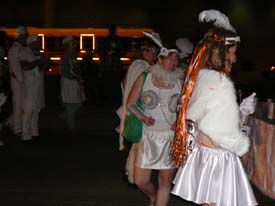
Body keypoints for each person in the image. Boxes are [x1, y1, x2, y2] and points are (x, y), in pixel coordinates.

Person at [171, 10, 258, 206]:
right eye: (234, 52)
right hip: (218, 159)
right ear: (223, 53)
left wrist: (239, 111)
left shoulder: (200, 77)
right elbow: (222, 132)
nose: (235, 59)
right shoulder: (220, 82)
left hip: (202, 154)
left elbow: (203, 117)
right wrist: (242, 118)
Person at [126, 32, 183, 206]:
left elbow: (187, 108)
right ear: (160, 59)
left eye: (176, 60)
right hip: (148, 137)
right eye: (170, 59)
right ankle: (153, 197)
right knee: (140, 180)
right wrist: (143, 117)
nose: (174, 63)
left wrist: (179, 122)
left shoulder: (181, 81)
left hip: (170, 139)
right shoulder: (145, 78)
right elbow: (130, 104)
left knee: (165, 183)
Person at [18, 34, 48, 140]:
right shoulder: (24, 52)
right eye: (38, 42)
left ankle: (35, 133)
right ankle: (26, 135)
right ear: (32, 43)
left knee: (36, 110)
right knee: (28, 111)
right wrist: (39, 61)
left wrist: (45, 62)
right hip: (29, 87)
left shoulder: (38, 53)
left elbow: (41, 69)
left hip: (38, 86)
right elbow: (25, 66)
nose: (40, 44)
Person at [59, 36, 85, 133]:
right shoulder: (66, 58)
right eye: (72, 45)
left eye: (74, 44)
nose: (74, 46)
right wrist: (76, 77)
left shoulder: (73, 57)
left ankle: (64, 116)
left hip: (74, 83)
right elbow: (66, 73)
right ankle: (71, 128)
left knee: (77, 103)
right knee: (71, 105)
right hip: (69, 84)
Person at [8, 25, 29, 135]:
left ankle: (12, 123)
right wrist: (22, 80)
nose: (26, 38)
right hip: (18, 81)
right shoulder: (15, 49)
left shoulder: (20, 48)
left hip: (21, 80)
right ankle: (17, 128)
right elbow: (15, 67)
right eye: (25, 36)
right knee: (18, 105)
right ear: (20, 36)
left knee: (20, 104)